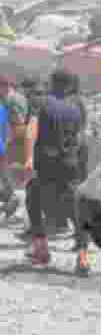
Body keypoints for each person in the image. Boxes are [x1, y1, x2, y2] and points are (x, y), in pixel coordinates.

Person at [21, 69, 91, 274]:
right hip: (70, 165)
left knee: (33, 198)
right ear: (69, 86)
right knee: (76, 212)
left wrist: (29, 158)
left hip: (47, 165)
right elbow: (80, 139)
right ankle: (83, 258)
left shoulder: (42, 104)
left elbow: (32, 128)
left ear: (51, 83)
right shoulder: (76, 109)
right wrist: (70, 156)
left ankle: (41, 250)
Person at [0, 59, 29, 218]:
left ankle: (17, 205)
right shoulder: (10, 99)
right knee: (10, 177)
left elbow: (19, 123)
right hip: (11, 144)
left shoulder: (13, 100)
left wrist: (9, 144)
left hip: (15, 145)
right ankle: (12, 203)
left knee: (15, 178)